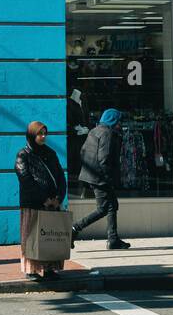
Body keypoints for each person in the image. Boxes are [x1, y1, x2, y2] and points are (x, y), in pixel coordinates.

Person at [71, 108, 131, 250]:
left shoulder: (95, 130)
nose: (120, 124)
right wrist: (108, 178)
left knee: (112, 205)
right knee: (103, 208)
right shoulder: (107, 133)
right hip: (101, 177)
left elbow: (83, 151)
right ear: (113, 120)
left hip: (92, 175)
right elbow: (104, 158)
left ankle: (113, 239)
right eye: (118, 121)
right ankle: (74, 229)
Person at [15, 120, 67, 281]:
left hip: (52, 203)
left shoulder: (50, 153)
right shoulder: (23, 155)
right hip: (33, 203)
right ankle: (31, 270)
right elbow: (26, 179)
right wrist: (43, 199)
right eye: (39, 133)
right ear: (32, 135)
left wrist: (58, 198)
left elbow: (60, 176)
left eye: (45, 133)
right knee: (31, 237)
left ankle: (50, 268)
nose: (43, 136)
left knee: (50, 236)